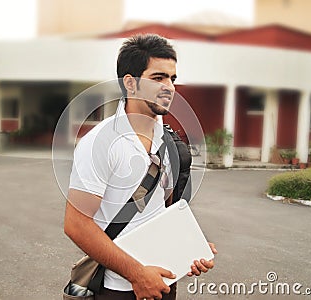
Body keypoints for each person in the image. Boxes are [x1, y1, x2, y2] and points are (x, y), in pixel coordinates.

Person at [64, 34, 217, 300]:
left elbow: (164, 210)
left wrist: (189, 246)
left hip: (164, 278)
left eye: (172, 78)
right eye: (158, 78)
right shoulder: (101, 142)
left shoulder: (169, 141)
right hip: (119, 287)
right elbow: (76, 224)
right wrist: (136, 274)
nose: (169, 87)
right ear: (130, 83)